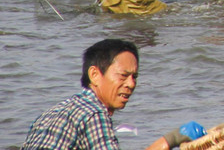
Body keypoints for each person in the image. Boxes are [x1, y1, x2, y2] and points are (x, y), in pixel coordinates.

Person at [21, 39, 208, 150]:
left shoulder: (51, 113)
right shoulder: (94, 114)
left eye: (135, 77)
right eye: (123, 76)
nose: (131, 84)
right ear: (95, 74)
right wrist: (170, 140)